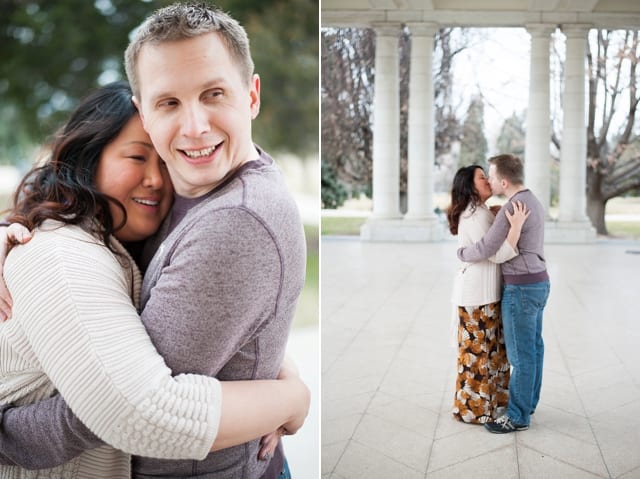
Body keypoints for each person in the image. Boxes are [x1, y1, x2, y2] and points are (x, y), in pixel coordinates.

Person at [0, 2, 309, 477]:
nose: (194, 127)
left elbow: (132, 407)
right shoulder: (173, 200)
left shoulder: (236, 217)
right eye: (169, 103)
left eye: (213, 93)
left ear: (251, 95)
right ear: (145, 115)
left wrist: (287, 391)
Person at [457, 154, 550, 434]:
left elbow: (486, 248)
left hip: (520, 288)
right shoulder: (532, 199)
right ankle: (529, 402)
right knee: (534, 348)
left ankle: (518, 416)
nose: (490, 180)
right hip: (540, 283)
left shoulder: (513, 207)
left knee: (521, 356)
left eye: (493, 177)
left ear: (504, 181)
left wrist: (462, 253)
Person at [447, 165, 529, 424]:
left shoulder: (480, 212)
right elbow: (495, 253)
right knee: (480, 354)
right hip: (477, 296)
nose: (488, 181)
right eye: (482, 177)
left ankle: (483, 406)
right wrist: (515, 228)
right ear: (470, 186)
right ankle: (476, 411)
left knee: (486, 353)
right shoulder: (476, 215)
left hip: (482, 292)